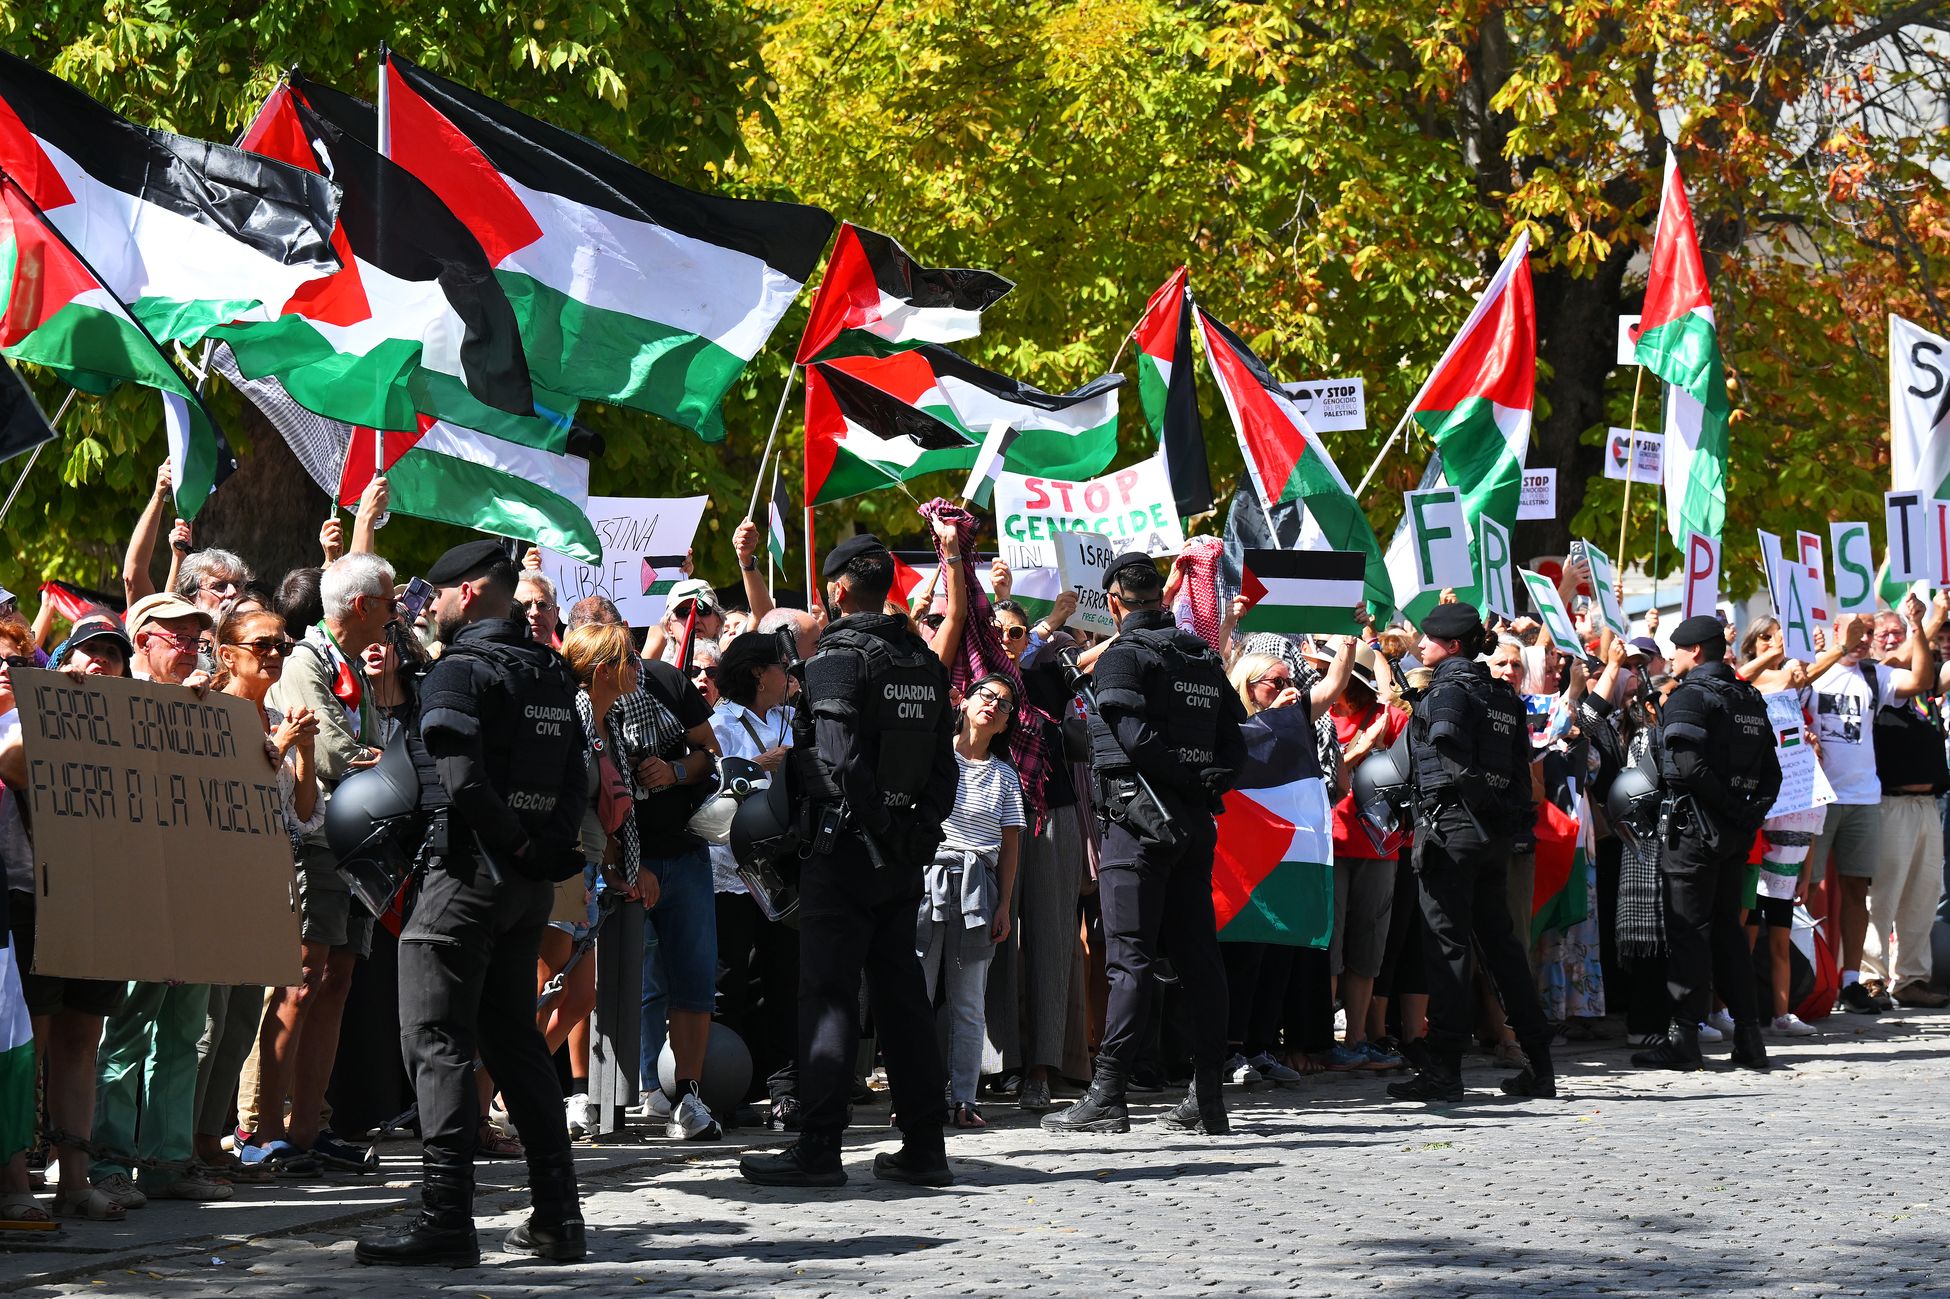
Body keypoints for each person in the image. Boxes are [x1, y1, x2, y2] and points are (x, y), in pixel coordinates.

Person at [356, 540, 590, 1268]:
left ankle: (446, 1219)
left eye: (437, 594)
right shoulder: (549, 669)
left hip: (463, 876)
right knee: (515, 1042)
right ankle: (558, 1216)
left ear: (467, 591)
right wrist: (540, 852)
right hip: (524, 885)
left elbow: (460, 781)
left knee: (437, 1043)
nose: (430, 607)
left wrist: (513, 844)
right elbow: (576, 776)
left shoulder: (461, 669)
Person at [738, 533, 957, 1188]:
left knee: (829, 996)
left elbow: (838, 761)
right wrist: (915, 830)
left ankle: (819, 1147)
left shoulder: (839, 657)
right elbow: (942, 764)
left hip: (847, 850)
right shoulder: (921, 659)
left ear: (837, 590)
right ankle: (925, 1144)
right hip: (900, 853)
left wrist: (884, 828)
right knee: (902, 997)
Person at [1043, 553, 1245, 1137]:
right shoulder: (1201, 656)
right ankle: (1208, 1098)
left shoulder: (1124, 656)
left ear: (1113, 603)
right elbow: (1236, 742)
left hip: (1138, 825)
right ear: (1159, 597)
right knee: (1199, 958)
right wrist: (1206, 784)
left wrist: (1180, 782)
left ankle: (1108, 1094)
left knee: (1128, 959)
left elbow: (1130, 737)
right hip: (1192, 825)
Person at [251, 553, 395, 1174]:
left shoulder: (355, 665)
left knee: (338, 982)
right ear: (361, 606)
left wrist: (380, 756)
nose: (396, 615)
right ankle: (263, 1131)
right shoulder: (307, 660)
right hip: (317, 838)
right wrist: (386, 762)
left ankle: (309, 1129)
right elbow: (336, 753)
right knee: (302, 980)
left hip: (359, 841)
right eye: (389, 603)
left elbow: (376, 743)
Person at [89, 593, 232, 1207]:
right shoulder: (112, 702)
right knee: (125, 1028)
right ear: (143, 639)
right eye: (178, 637)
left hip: (195, 895)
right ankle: (108, 1161)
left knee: (182, 1030)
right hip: (134, 893)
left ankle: (168, 1161)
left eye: (197, 638)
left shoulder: (212, 709)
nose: (191, 648)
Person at [1387, 602, 1552, 1103]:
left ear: (1452, 645)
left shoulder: (1449, 691)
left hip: (1454, 829)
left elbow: (1452, 757)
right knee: (1502, 948)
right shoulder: (1502, 696)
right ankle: (1539, 1065)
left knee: (1448, 950)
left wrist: (1480, 808)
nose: (1421, 645)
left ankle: (1444, 1070)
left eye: (1429, 639)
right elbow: (1520, 771)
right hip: (1491, 835)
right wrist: (1502, 818)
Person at [1, 619, 132, 1221]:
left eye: (112, 655)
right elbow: (17, 767)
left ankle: (74, 1181)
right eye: (88, 653)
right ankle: (14, 1182)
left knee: (81, 1042)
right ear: (59, 666)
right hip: (25, 899)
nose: (100, 663)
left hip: (95, 901)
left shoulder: (128, 726)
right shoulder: (20, 720)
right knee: (26, 1044)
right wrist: (59, 709)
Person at [192, 611, 322, 1180]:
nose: (275, 653)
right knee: (209, 1022)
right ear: (227, 654)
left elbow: (305, 814)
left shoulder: (275, 715)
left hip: (268, 881)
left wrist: (304, 751)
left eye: (282, 644)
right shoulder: (207, 711)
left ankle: (206, 1143)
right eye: (262, 644)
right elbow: (225, 793)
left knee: (243, 1021)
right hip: (216, 882)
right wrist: (280, 743)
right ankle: (178, 1144)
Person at [1631, 615, 1782, 1072]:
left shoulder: (1690, 696)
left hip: (1694, 831)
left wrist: (1730, 811)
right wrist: (1747, 814)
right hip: (1733, 833)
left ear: (1695, 651)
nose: (1671, 657)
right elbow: (1772, 772)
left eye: (1676, 650)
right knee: (1728, 932)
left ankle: (1684, 1039)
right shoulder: (1748, 697)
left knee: (1689, 933)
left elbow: (1687, 767)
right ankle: (1749, 1037)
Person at [555, 622, 650, 1139]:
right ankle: (502, 1094)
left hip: (589, 868)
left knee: (579, 997)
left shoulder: (608, 720)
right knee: (549, 991)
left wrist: (613, 863)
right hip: (564, 868)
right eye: (628, 658)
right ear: (602, 670)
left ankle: (507, 1087)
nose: (638, 666)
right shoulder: (571, 716)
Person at [918, 673, 1023, 1129]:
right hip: (927, 879)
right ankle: (913, 1095)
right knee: (915, 994)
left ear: (1005, 724)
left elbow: (1012, 843)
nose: (993, 705)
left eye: (1004, 704)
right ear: (964, 702)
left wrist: (1004, 906)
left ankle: (964, 1097)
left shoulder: (1005, 775)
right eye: (986, 695)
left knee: (968, 1002)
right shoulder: (933, 754)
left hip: (979, 887)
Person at [708, 632, 800, 1128]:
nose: (790, 675)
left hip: (781, 873)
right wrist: (758, 766)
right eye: (783, 666)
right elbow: (707, 792)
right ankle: (723, 1089)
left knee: (785, 980)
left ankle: (785, 1089)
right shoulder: (719, 723)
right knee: (728, 983)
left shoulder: (791, 720)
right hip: (729, 872)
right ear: (759, 673)